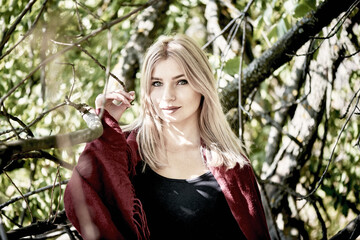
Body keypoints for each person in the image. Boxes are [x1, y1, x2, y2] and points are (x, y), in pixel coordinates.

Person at [64, 34, 270, 240]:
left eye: (181, 81)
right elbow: (81, 198)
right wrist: (105, 128)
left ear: (202, 85)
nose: (167, 96)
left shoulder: (231, 164)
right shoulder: (130, 153)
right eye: (157, 83)